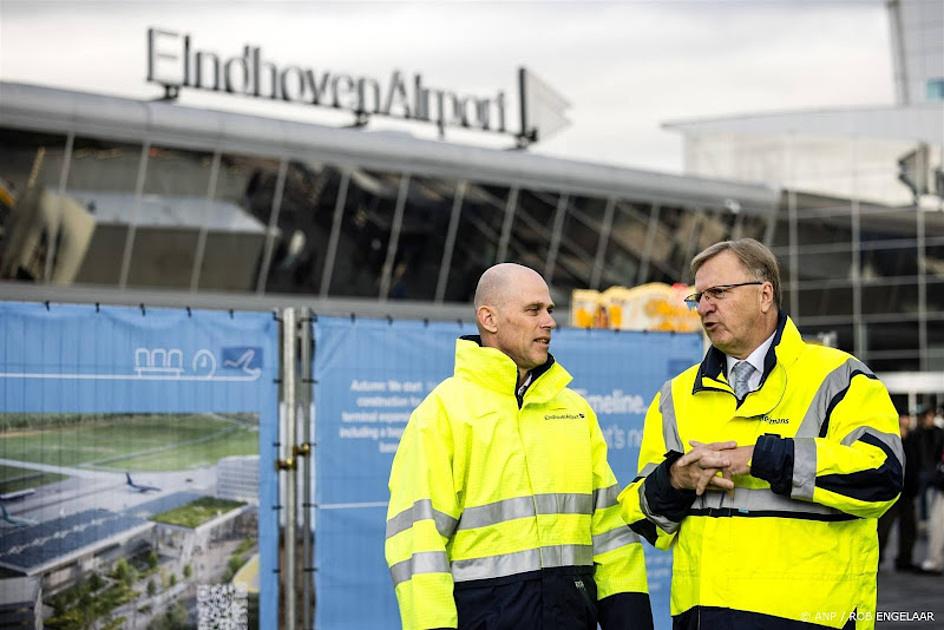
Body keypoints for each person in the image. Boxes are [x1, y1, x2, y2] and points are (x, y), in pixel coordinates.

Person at [619, 238, 902, 630]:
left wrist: (762, 458)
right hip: (704, 619)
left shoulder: (840, 378)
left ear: (765, 294)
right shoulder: (674, 396)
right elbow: (643, 517)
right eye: (698, 298)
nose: (704, 307)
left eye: (718, 292)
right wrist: (675, 479)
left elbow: (882, 477)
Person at [385, 263, 653, 630]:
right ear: (489, 319)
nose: (549, 322)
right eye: (533, 310)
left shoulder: (575, 411)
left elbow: (611, 535)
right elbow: (418, 550)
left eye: (549, 310)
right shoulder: (442, 415)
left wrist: (631, 621)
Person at [877, 413, 919, 571]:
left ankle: (904, 560)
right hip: (891, 490)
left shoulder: (914, 439)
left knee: (909, 528)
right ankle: (877, 559)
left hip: (908, 492)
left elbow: (916, 463)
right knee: (883, 528)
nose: (906, 421)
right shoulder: (890, 438)